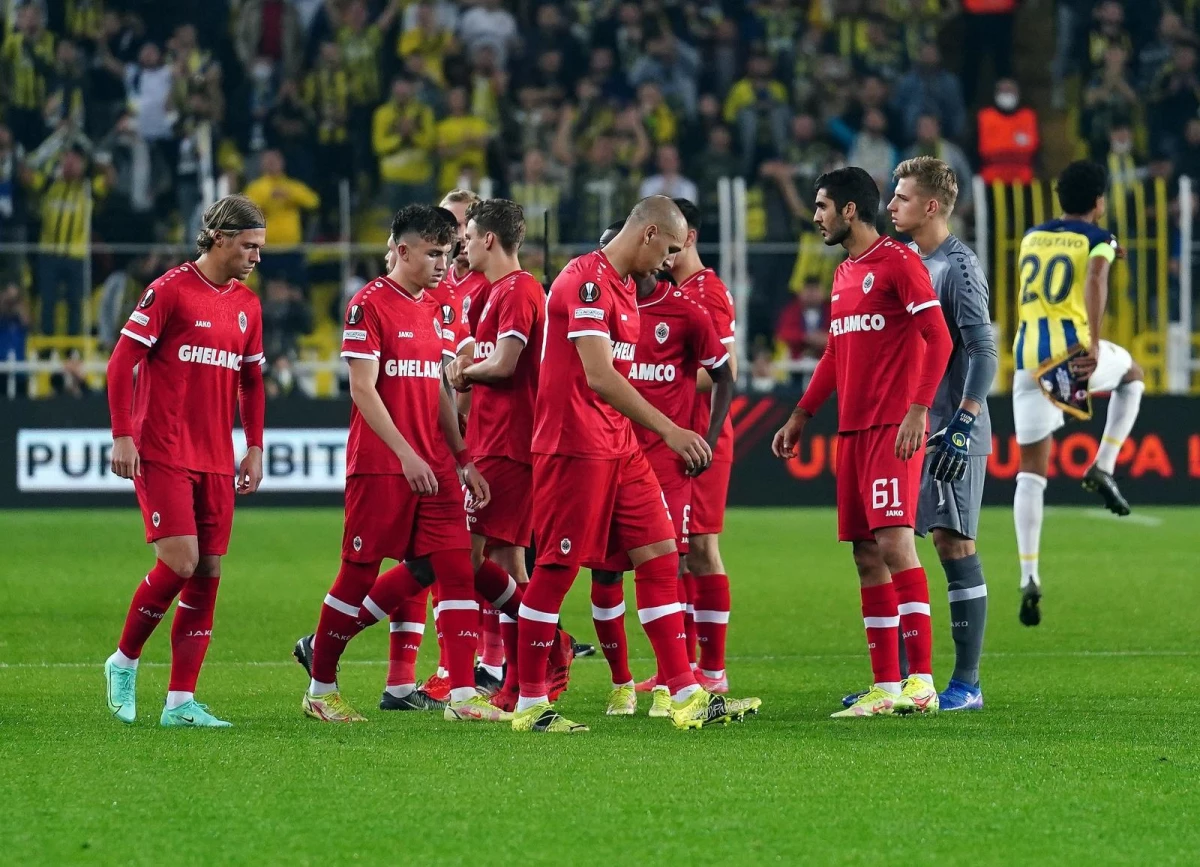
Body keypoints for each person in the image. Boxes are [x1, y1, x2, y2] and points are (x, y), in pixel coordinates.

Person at [515, 195, 761, 733]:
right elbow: (600, 376)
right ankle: (530, 702)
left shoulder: (627, 288)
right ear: (648, 233)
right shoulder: (585, 281)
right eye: (669, 249)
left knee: (658, 556)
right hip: (572, 446)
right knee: (555, 571)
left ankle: (686, 693)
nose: (670, 261)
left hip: (619, 446)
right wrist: (672, 429)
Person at [299, 204, 500, 724]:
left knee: (456, 568)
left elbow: (436, 391)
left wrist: (462, 460)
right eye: (433, 254)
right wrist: (405, 453)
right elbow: (362, 389)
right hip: (382, 465)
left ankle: (461, 696)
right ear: (403, 249)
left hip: (432, 463)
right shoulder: (368, 305)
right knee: (357, 575)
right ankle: (321, 689)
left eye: (448, 253)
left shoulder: (433, 306)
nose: (442, 264)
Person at [771, 167, 953, 718]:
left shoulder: (898, 263)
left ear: (850, 210)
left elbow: (938, 337)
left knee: (896, 545)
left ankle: (921, 683)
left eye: (823, 206)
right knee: (865, 555)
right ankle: (887, 686)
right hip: (852, 431)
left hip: (891, 427)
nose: (816, 216)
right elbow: (834, 353)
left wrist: (917, 411)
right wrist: (801, 415)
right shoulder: (846, 273)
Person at [103, 195, 268, 728]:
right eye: (249, 245)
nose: (256, 257)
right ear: (220, 238)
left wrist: (256, 446)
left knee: (209, 571)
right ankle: (123, 661)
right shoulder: (170, 291)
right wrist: (123, 436)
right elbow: (121, 361)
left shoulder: (247, 304)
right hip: (164, 450)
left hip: (216, 456)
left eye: (259, 247)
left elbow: (252, 381)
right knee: (181, 562)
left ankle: (180, 703)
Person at [587, 220, 735, 720]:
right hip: (605, 455)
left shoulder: (688, 309)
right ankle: (621, 682)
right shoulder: (601, 306)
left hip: (663, 465)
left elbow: (724, 373)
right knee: (604, 572)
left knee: (667, 563)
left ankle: (683, 679)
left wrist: (708, 441)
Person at [1009, 161, 1144, 627]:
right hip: (1071, 354)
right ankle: (1103, 466)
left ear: (1059, 197)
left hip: (1027, 359)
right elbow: (1092, 278)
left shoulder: (1031, 236)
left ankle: (1029, 574)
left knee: (1031, 474)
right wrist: (1092, 340)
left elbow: (1060, 260)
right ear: (1100, 202)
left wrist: (1107, 249)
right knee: (1134, 374)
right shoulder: (1097, 239)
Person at [886, 156, 998, 712]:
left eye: (901, 197)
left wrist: (965, 420)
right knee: (901, 543)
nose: (891, 205)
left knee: (955, 545)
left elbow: (983, 348)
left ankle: (968, 684)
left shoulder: (958, 266)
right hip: (914, 426)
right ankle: (909, 683)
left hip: (953, 428)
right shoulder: (906, 260)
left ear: (931, 205)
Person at [441, 198, 546, 712]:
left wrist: (462, 373)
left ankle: (469, 686)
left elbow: (504, 364)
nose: (462, 242)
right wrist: (464, 365)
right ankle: (526, 678)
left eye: (469, 233)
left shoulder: (521, 289)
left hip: (507, 444)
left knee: (459, 558)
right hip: (490, 439)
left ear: (488, 238)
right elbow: (480, 355)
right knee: (507, 563)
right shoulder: (491, 294)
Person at [643, 198, 738, 695]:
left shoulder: (707, 293)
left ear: (690, 238)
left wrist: (659, 382)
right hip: (673, 438)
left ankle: (714, 671)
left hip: (699, 437)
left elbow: (725, 371)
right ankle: (675, 668)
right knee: (672, 551)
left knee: (700, 548)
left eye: (672, 244)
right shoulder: (674, 291)